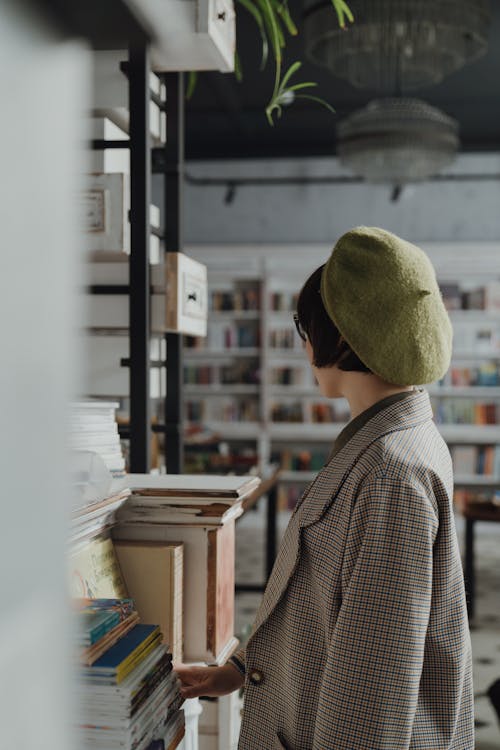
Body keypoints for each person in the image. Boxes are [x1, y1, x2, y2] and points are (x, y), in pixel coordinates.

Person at [175, 227, 474, 749]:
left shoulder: (389, 473)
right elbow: (328, 605)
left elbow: (373, 694)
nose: (304, 342)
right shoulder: (390, 439)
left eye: (304, 326)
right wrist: (244, 667)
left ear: (339, 336)